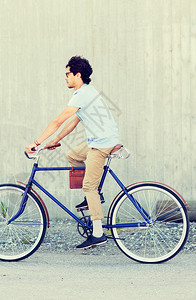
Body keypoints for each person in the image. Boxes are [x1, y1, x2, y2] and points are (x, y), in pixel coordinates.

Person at [25, 56, 119, 249]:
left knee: (89, 187)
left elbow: (58, 121)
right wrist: (55, 141)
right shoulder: (86, 92)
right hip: (100, 139)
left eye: (68, 74)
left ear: (78, 74)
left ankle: (98, 233)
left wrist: (37, 143)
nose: (65, 77)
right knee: (73, 156)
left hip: (101, 144)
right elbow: (72, 123)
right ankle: (95, 196)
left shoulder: (82, 94)